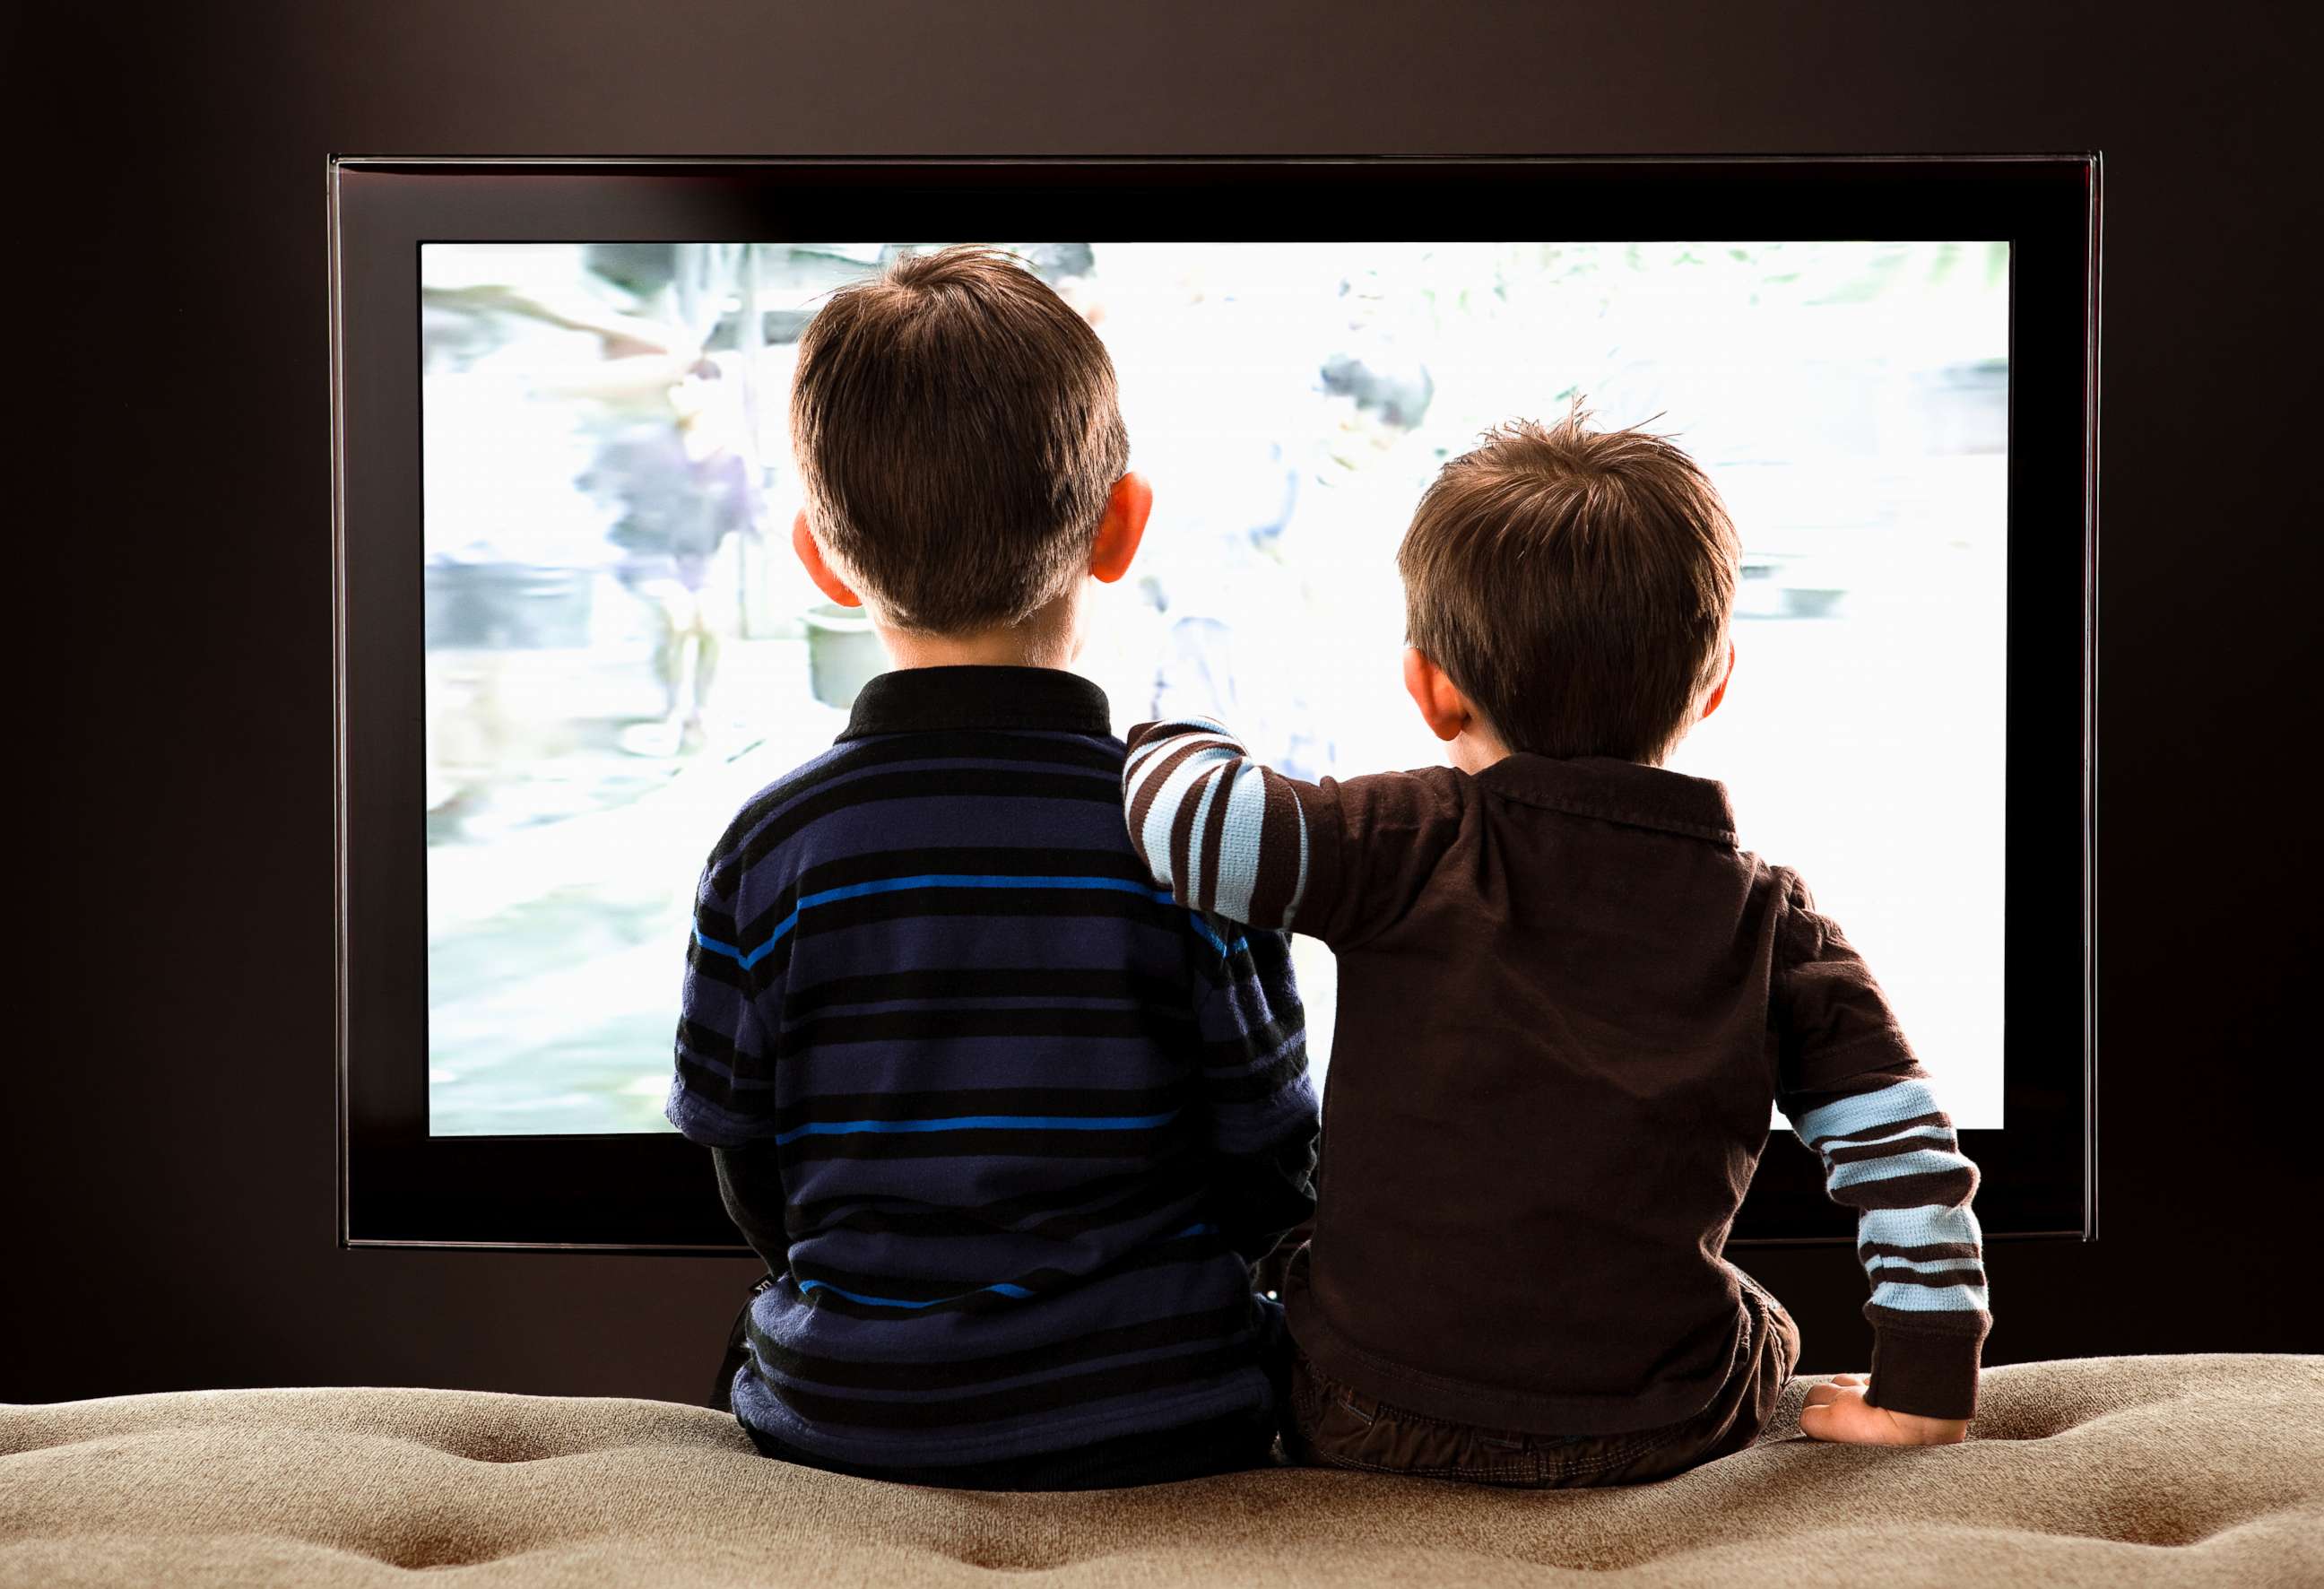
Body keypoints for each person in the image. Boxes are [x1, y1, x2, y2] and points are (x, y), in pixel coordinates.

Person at [1121, 405, 1990, 1486]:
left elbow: (1193, 825)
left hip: (1362, 1405)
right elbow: (1906, 1154)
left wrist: (1173, 727)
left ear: (1431, 686)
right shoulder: (1772, 922)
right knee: (1762, 1318)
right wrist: (1924, 1387)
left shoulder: (1406, 839)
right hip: (1654, 1423)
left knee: (1307, 1262)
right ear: (1715, 679)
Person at [666, 247, 1321, 1489]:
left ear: (820, 559)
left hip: (848, 1415)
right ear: (1123, 527)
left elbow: (746, 1167)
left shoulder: (768, 848)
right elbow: (1268, 1157)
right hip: (1160, 1408)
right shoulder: (1185, 832)